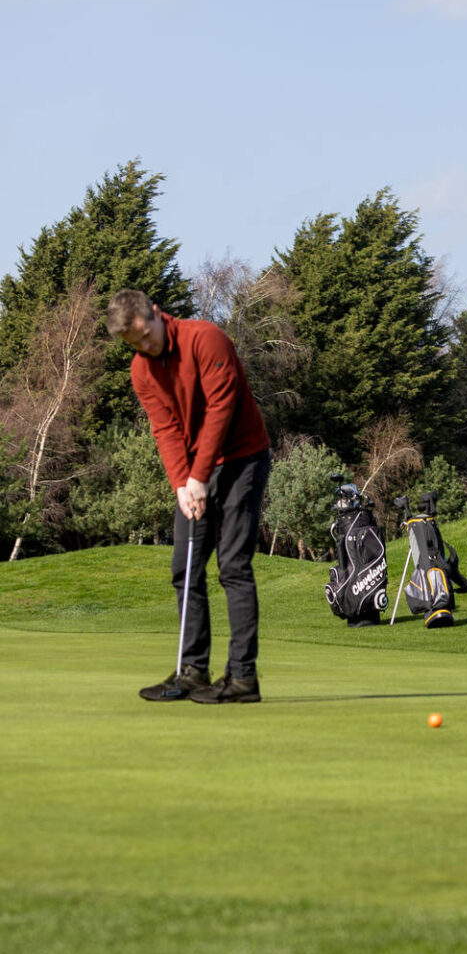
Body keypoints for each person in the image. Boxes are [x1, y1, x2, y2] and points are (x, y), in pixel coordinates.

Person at [106, 289, 272, 704]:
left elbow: (221, 407)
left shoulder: (206, 338)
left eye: (146, 336)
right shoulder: (142, 371)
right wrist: (182, 484)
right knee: (185, 569)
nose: (145, 347)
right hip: (196, 471)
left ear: (157, 314)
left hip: (242, 459)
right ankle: (194, 670)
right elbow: (164, 429)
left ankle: (242, 679)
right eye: (135, 345)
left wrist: (199, 475)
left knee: (233, 567)